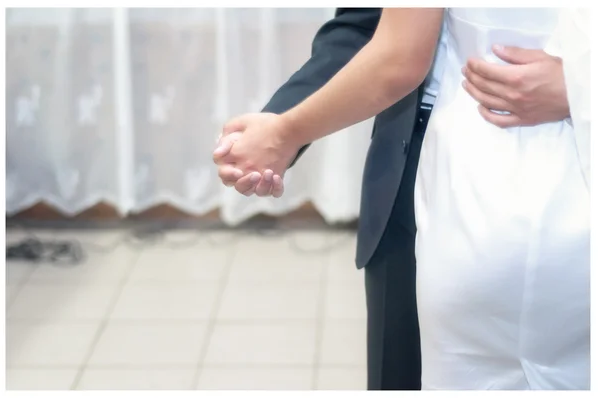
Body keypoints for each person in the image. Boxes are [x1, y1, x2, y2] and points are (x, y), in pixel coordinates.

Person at [214, 8, 586, 390]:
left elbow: (399, 57)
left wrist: (580, 86)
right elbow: (365, 24)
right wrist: (280, 129)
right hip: (419, 166)